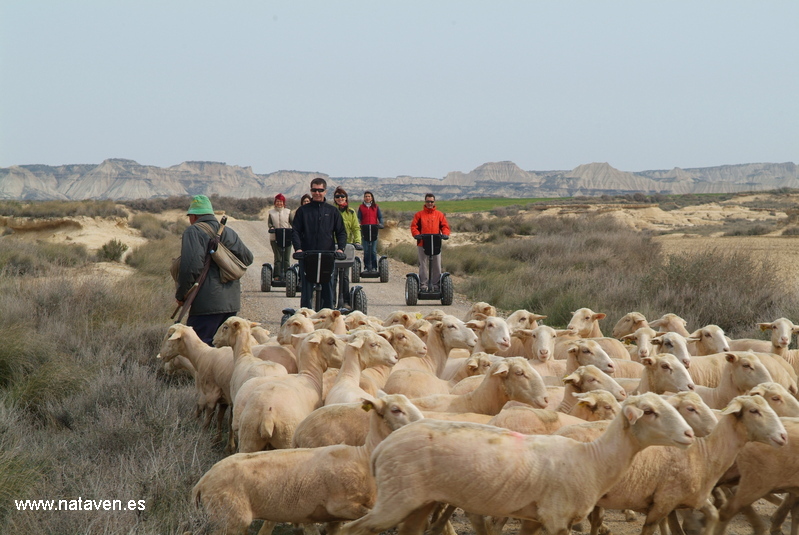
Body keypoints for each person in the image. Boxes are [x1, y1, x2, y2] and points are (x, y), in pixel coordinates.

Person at [175, 195, 253, 345]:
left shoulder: (193, 231)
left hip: (206, 305)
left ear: (194, 215)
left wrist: (181, 294)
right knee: (223, 353)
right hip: (231, 304)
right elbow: (248, 258)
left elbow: (191, 268)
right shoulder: (228, 232)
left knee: (199, 350)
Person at [291, 178, 347, 309]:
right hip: (307, 255)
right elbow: (295, 231)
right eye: (314, 190)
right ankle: (305, 318)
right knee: (306, 288)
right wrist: (298, 249)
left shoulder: (332, 211)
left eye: (320, 190)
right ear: (311, 191)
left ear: (325, 191)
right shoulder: (303, 211)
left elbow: (341, 232)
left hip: (327, 255)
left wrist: (341, 249)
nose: (317, 193)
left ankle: (328, 318)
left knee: (328, 287)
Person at [410, 193, 450, 291]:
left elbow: (445, 226)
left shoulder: (439, 215)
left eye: (431, 201)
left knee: (436, 264)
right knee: (423, 264)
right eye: (428, 201)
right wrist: (416, 234)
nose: (430, 203)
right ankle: (423, 285)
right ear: (425, 202)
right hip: (422, 242)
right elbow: (414, 226)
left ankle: (436, 285)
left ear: (434, 202)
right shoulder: (419, 215)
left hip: (435, 243)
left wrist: (445, 234)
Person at [331, 187, 362, 307]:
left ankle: (345, 302)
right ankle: (331, 302)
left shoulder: (351, 212)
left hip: (348, 245)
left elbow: (356, 228)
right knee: (332, 276)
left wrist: (358, 242)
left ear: (346, 198)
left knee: (344, 276)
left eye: (342, 196)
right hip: (333, 245)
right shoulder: (332, 211)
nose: (340, 199)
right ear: (334, 199)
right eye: (337, 196)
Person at [267, 193, 293, 282]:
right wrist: (271, 227)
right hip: (275, 237)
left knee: (286, 258)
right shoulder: (271, 213)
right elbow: (269, 223)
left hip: (287, 237)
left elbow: (293, 223)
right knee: (278, 258)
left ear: (283, 202)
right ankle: (277, 275)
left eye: (281, 201)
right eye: (278, 201)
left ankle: (287, 275)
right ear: (275, 202)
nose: (279, 203)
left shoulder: (288, 212)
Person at [357, 190, 384, 273]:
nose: (367, 198)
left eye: (369, 196)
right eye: (366, 196)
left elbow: (380, 217)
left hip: (374, 229)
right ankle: (366, 267)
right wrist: (358, 224)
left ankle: (374, 267)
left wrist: (381, 224)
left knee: (373, 250)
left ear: (371, 197)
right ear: (364, 198)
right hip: (364, 230)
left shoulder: (376, 207)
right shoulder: (361, 207)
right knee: (366, 250)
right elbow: (358, 218)